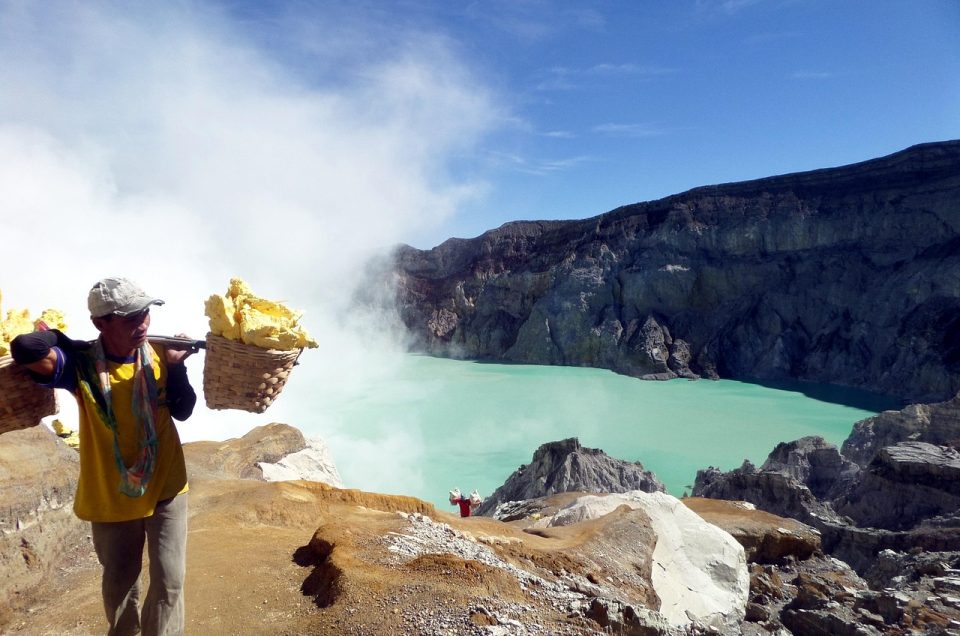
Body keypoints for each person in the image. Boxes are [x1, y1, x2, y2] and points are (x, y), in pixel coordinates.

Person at [11, 277, 197, 636]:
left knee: (170, 584)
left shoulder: (156, 355)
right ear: (100, 323)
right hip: (112, 495)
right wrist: (68, 342)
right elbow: (25, 347)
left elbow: (184, 410)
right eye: (130, 318)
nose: (142, 324)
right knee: (120, 589)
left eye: (145, 313)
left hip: (167, 487)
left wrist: (177, 367)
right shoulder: (79, 366)